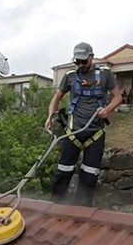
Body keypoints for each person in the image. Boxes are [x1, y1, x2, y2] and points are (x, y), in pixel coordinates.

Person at [45, 42, 123, 206]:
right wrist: (50, 115)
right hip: (73, 132)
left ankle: (82, 210)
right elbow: (56, 98)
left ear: (91, 57)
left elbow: (118, 97)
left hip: (95, 133)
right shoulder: (70, 76)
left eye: (83, 61)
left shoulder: (105, 75)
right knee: (63, 172)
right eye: (77, 62)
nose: (80, 65)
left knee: (89, 176)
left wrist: (107, 109)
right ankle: (55, 207)